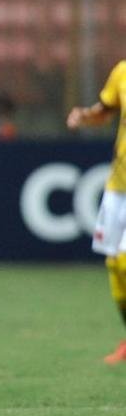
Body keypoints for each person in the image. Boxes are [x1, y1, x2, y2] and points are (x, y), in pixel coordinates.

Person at [66, 60, 126, 364]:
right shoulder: (121, 72)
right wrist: (85, 116)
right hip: (118, 186)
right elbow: (104, 112)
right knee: (114, 265)